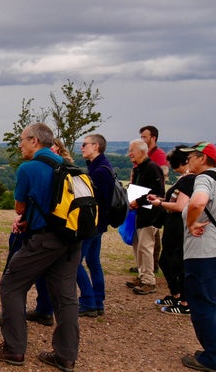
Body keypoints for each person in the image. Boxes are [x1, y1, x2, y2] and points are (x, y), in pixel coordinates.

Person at [0, 122, 79, 371]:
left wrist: (26, 219)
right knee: (66, 296)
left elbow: (20, 207)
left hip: (43, 239)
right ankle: (65, 356)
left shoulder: (29, 168)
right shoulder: (70, 167)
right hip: (71, 238)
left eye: (22, 140)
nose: (20, 145)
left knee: (12, 284)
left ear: (35, 141)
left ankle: (13, 349)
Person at [178, 142, 216, 371]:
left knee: (203, 306)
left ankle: (212, 358)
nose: (187, 161)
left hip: (204, 253)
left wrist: (190, 223)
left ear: (202, 158)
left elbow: (199, 201)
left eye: (190, 157)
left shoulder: (204, 179)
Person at [147, 146, 195, 315]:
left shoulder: (189, 180)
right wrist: (159, 199)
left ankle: (185, 302)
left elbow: (180, 206)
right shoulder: (183, 178)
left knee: (177, 265)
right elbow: (174, 200)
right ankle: (176, 295)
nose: (168, 163)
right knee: (166, 262)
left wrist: (160, 204)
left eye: (171, 160)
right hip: (172, 226)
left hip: (179, 228)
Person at [76, 134, 114, 317]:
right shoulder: (99, 166)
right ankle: (97, 301)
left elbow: (98, 201)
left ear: (96, 146)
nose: (82, 147)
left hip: (93, 224)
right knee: (93, 261)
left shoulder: (99, 171)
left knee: (75, 262)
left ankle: (89, 301)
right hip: (98, 224)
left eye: (85, 145)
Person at [125, 139, 165, 295]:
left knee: (146, 247)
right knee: (138, 246)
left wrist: (138, 201)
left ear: (142, 151)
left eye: (132, 150)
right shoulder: (139, 168)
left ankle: (149, 281)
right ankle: (142, 276)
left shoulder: (152, 168)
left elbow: (158, 192)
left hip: (150, 215)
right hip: (139, 214)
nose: (130, 153)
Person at [139, 125, 168, 273]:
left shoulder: (159, 154)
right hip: (142, 195)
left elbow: (162, 177)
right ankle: (145, 265)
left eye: (145, 137)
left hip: (153, 197)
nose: (142, 139)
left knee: (151, 234)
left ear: (153, 138)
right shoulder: (143, 153)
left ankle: (152, 264)